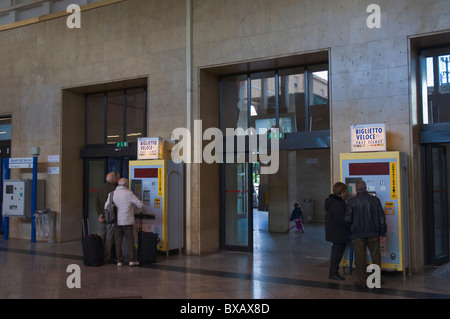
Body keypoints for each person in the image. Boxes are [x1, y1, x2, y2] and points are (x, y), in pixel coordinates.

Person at [345, 180, 387, 287]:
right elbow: (382, 218)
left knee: (360, 257)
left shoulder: (352, 201)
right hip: (374, 233)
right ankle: (377, 280)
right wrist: (383, 233)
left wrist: (351, 230)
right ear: (366, 188)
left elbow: (347, 219)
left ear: (356, 189)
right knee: (376, 256)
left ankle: (362, 281)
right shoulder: (375, 200)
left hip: (358, 234)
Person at [106, 178, 145, 267]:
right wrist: (144, 209)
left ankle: (119, 261)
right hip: (127, 221)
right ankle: (132, 260)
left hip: (116, 222)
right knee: (130, 241)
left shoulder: (112, 194)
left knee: (117, 241)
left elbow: (106, 206)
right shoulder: (129, 193)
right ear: (127, 184)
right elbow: (140, 204)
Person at [325, 182, 351, 280]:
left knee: (336, 254)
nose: (347, 193)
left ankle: (333, 272)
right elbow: (343, 220)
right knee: (336, 255)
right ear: (342, 192)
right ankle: (333, 273)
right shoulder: (338, 204)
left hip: (334, 233)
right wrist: (351, 227)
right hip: (338, 233)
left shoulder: (332, 201)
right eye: (346, 191)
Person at [96, 171, 120, 264]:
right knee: (109, 237)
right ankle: (107, 257)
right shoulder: (114, 189)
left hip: (101, 216)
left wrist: (100, 214)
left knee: (101, 236)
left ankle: (99, 255)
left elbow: (96, 202)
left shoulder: (100, 188)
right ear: (113, 179)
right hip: (110, 217)